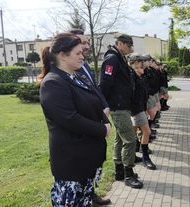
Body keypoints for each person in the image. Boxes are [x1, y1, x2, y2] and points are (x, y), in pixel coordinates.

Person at [39, 32, 111, 206]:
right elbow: (70, 119)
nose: (82, 56)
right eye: (78, 53)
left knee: (84, 200)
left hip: (85, 157)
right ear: (63, 55)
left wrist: (104, 119)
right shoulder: (53, 82)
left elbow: (94, 99)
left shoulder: (77, 76)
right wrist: (103, 129)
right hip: (72, 160)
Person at [69, 28, 111, 205]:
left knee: (93, 160)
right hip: (83, 123)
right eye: (82, 43)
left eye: (87, 43)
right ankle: (87, 194)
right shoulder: (70, 68)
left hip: (96, 114)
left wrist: (104, 105)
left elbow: (94, 87)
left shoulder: (83, 64)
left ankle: (91, 193)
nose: (86, 46)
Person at [99, 34, 144, 189]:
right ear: (120, 43)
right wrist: (106, 105)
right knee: (130, 140)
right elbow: (105, 83)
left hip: (122, 105)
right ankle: (128, 174)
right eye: (128, 45)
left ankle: (119, 171)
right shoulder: (112, 59)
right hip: (117, 106)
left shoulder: (120, 57)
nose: (131, 48)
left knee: (120, 138)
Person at [129, 54, 157, 170]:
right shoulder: (132, 77)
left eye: (142, 67)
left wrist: (144, 109)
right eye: (139, 68)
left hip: (140, 108)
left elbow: (143, 95)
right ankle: (145, 157)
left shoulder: (139, 77)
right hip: (135, 110)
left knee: (132, 134)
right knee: (147, 131)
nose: (142, 70)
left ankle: (132, 156)